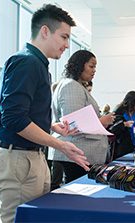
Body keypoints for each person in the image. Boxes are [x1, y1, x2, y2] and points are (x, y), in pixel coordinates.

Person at [0, 5, 90, 223]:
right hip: (18, 158)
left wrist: (52, 126)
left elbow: (22, 112)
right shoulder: (27, 62)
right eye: (64, 36)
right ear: (45, 31)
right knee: (19, 219)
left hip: (29, 157)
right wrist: (60, 144)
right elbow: (14, 118)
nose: (66, 45)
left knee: (35, 217)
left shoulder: (37, 64)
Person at [49, 50, 115, 183]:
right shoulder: (71, 86)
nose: (94, 70)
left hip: (80, 152)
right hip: (77, 152)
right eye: (91, 66)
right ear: (80, 65)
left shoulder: (75, 85)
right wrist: (102, 121)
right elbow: (73, 124)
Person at [108, 91, 135, 159]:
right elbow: (112, 128)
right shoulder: (119, 111)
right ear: (131, 102)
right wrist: (124, 124)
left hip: (134, 145)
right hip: (121, 147)